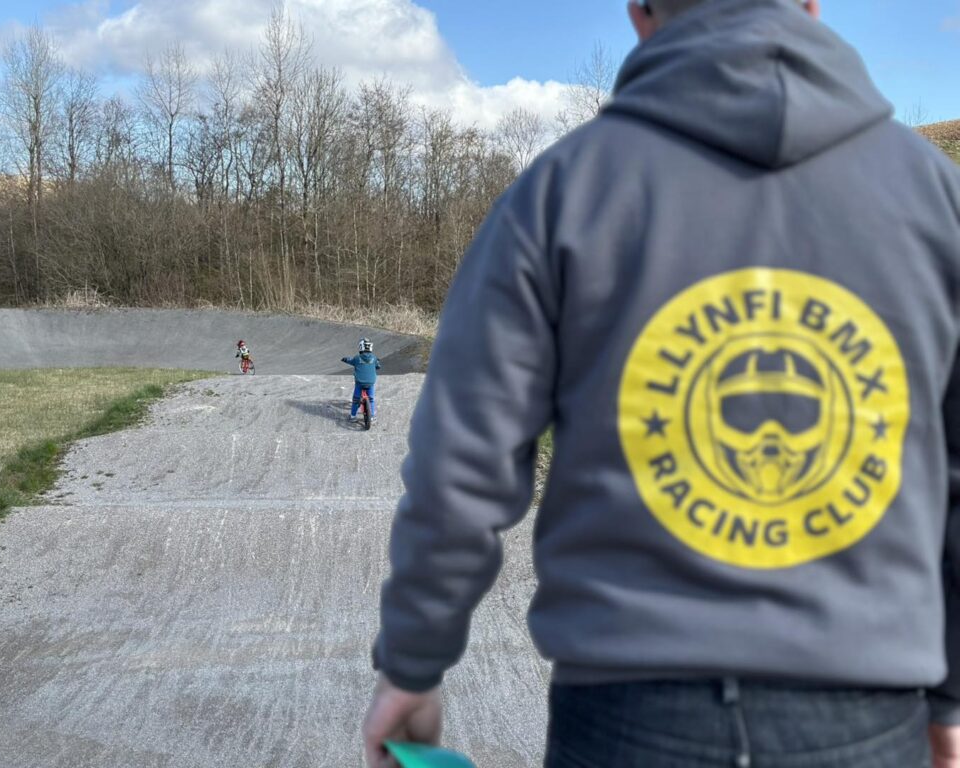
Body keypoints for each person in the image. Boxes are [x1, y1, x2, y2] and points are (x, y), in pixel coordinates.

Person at [364, 0, 960, 766]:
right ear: (812, 4)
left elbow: (461, 464)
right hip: (867, 720)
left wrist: (412, 663)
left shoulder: (563, 190)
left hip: (625, 715)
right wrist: (949, 695)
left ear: (640, 12)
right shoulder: (934, 200)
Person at [343, 338, 381, 422]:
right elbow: (378, 366)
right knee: (371, 399)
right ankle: (372, 417)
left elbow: (350, 360)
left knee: (356, 399)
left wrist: (345, 359)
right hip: (371, 383)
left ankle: (353, 417)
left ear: (361, 347)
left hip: (359, 383)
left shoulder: (357, 358)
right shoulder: (374, 358)